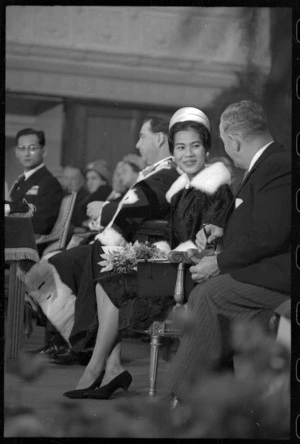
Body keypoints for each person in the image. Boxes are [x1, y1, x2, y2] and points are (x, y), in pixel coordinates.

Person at [61, 106, 233, 399]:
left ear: (206, 149)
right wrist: (140, 253)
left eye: (195, 146)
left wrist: (199, 240)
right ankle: (108, 368)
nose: (188, 154)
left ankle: (95, 369)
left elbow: (208, 239)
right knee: (109, 274)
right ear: (172, 151)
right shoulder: (179, 189)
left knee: (114, 281)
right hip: (173, 266)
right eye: (180, 147)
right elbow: (170, 236)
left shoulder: (217, 188)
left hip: (193, 275)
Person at [162, 100, 291, 404]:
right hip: (266, 267)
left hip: (278, 273)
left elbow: (270, 235)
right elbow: (263, 225)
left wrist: (218, 262)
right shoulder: (268, 163)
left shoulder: (277, 166)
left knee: (209, 294)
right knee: (209, 291)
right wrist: (223, 233)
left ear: (233, 141)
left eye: (221, 140)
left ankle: (177, 396)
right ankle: (211, 398)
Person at [25, 114, 180, 361]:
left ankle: (87, 344)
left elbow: (139, 208)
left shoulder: (168, 172)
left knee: (62, 262)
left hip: (146, 253)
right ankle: (84, 342)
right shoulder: (158, 172)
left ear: (160, 138)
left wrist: (104, 209)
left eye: (142, 137)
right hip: (129, 243)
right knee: (56, 263)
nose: (138, 145)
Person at [8, 128, 63, 238]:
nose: (27, 153)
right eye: (22, 148)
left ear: (43, 151)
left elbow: (41, 225)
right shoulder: (21, 180)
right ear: (16, 153)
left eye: (32, 148)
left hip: (29, 244)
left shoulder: (49, 182)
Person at [61, 165, 90, 229]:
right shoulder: (58, 196)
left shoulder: (87, 199)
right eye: (66, 178)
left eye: (73, 179)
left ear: (82, 181)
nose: (68, 183)